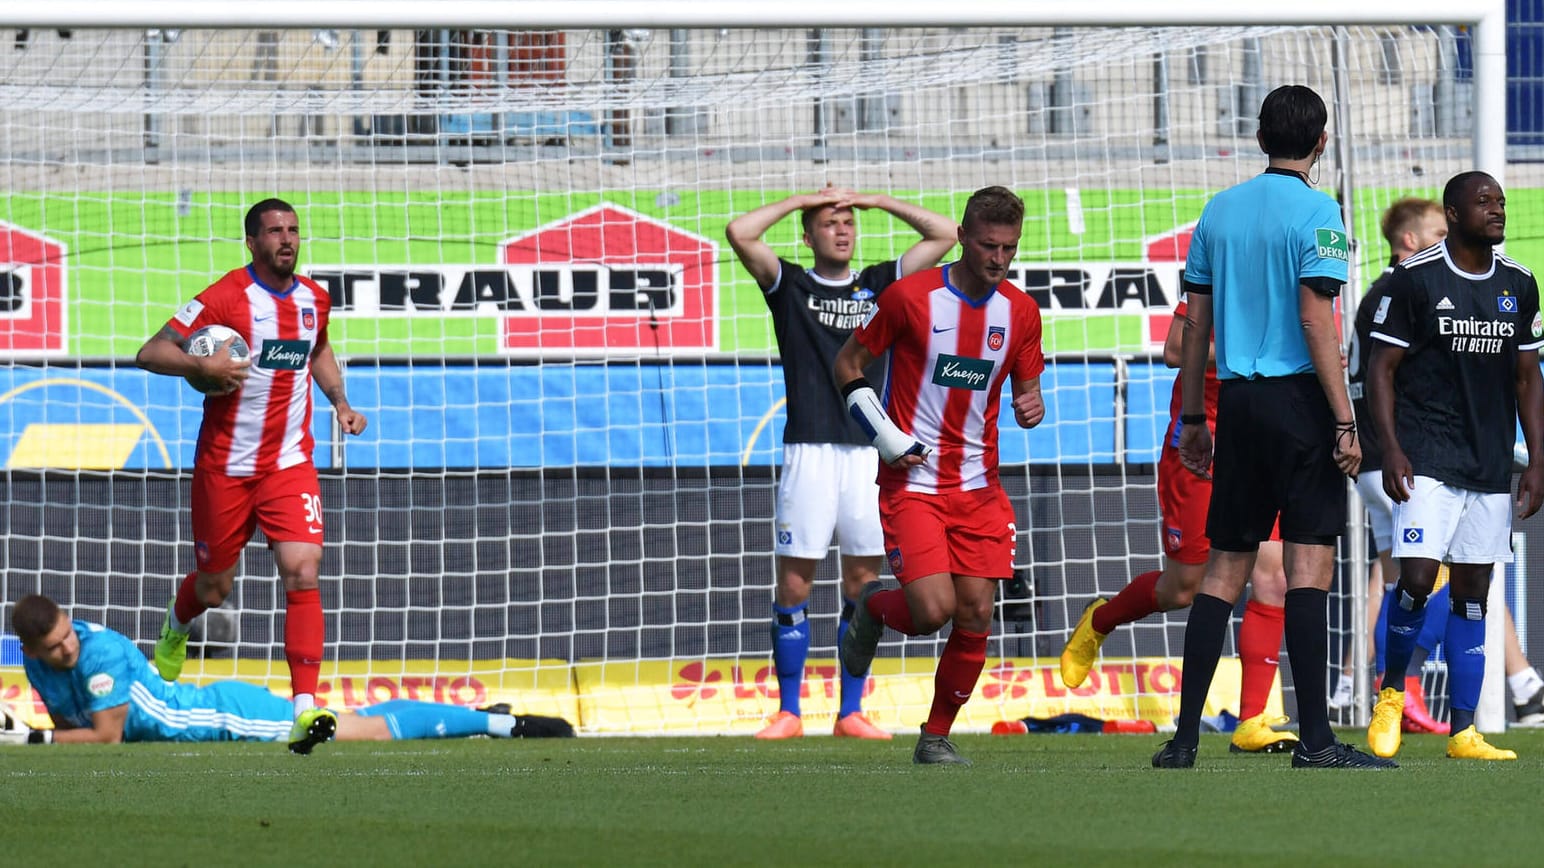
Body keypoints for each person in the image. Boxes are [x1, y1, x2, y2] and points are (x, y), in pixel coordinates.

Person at [1153, 84, 1393, 769]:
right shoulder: (1320, 212)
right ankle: (1315, 741)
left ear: (1260, 139)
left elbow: (1194, 322)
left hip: (1237, 402)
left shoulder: (1219, 211)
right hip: (1298, 404)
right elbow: (1317, 320)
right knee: (1308, 565)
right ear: (1323, 142)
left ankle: (1184, 739)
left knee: (1223, 569)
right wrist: (1344, 420)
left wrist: (1196, 416)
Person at [134, 198, 368, 753]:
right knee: (215, 588)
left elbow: (319, 351)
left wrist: (340, 401)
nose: (286, 240)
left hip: (289, 465)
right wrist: (200, 365)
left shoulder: (315, 299)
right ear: (252, 242)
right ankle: (176, 624)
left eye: (293, 230)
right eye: (274, 232)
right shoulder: (225, 297)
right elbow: (150, 351)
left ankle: (304, 709)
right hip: (226, 468)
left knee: (303, 570)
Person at [726, 186, 957, 740]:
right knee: (796, 587)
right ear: (808, 237)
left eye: (849, 221)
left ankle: (850, 711)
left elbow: (946, 234)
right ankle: (788, 711)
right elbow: (740, 232)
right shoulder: (791, 284)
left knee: (862, 582)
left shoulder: (878, 283)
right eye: (830, 222)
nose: (843, 228)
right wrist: (804, 198)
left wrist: (876, 199)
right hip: (808, 449)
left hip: (868, 455)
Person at [833, 185, 1045, 765]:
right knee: (931, 612)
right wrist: (884, 435)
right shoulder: (911, 298)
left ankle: (935, 736)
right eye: (988, 246)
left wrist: (1034, 406)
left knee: (977, 612)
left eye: (1009, 248)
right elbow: (847, 365)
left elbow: (1028, 393)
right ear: (962, 237)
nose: (998, 259)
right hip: (914, 483)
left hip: (979, 488)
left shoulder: (1021, 313)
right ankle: (873, 604)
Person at [1332, 197, 1544, 731]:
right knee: (1418, 577)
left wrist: (1537, 458)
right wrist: (1390, 444)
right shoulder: (1407, 282)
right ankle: (1392, 694)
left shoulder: (1518, 284)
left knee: (1468, 589)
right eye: (1483, 202)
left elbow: (1527, 378)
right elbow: (1379, 371)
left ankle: (1462, 724)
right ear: (1451, 216)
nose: (1498, 209)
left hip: (1485, 463)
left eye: (1501, 201)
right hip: (1414, 457)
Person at [1060, 297, 1297, 754]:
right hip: (1199, 444)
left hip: (1262, 445)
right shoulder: (1215, 280)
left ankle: (1251, 722)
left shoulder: (1294, 287)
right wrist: (1257, 353)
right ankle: (1099, 620)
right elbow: (1174, 349)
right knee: (1184, 588)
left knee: (1275, 576)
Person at [2, 594, 573, 748]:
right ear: (31, 650)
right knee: (357, 722)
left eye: (68, 635)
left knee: (360, 730)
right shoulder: (39, 669)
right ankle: (481, 719)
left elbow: (104, 736)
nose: (67, 650)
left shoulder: (97, 653)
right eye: (53, 648)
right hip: (203, 720)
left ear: (72, 621)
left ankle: (502, 725)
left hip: (222, 719)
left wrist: (31, 738)